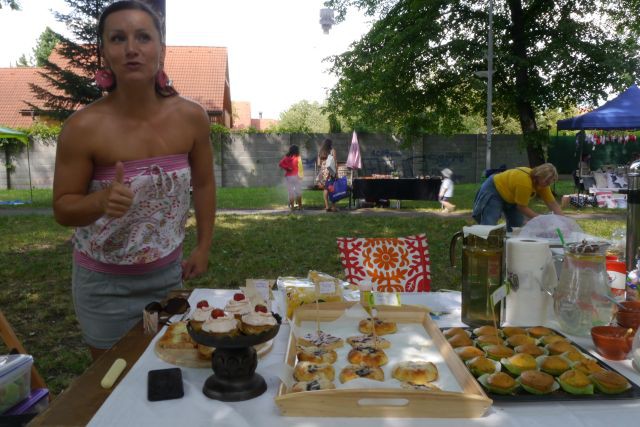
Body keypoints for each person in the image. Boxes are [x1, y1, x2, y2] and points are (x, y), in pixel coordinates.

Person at [52, 1, 215, 360]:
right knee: (112, 380)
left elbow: (204, 184)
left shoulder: (192, 118)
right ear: (104, 53)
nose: (131, 48)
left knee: (167, 368)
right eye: (117, 38)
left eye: (143, 37)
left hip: (168, 276)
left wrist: (203, 246)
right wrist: (99, 201)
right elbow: (63, 208)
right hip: (104, 287)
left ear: (161, 49)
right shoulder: (82, 128)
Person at [472, 163, 563, 231]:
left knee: (516, 226)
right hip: (495, 189)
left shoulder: (542, 184)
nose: (548, 185)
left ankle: (510, 246)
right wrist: (540, 219)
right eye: (547, 181)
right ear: (539, 176)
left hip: (511, 195)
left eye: (550, 182)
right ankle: (484, 247)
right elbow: (521, 207)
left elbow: (553, 204)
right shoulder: (525, 183)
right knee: (489, 223)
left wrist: (564, 222)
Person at [316, 138, 338, 212]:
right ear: (330, 144)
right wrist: (336, 173)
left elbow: (318, 164)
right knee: (332, 188)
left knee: (325, 189)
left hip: (323, 172)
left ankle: (327, 206)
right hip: (330, 171)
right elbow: (335, 162)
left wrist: (323, 165)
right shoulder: (332, 151)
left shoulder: (320, 151)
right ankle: (333, 207)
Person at [278, 145, 303, 210]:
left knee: (290, 192)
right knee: (298, 192)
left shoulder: (286, 157)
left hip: (288, 177)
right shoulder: (298, 157)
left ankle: (292, 207)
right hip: (296, 176)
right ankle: (300, 206)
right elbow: (300, 168)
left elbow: (280, 164)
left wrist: (287, 168)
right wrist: (301, 177)